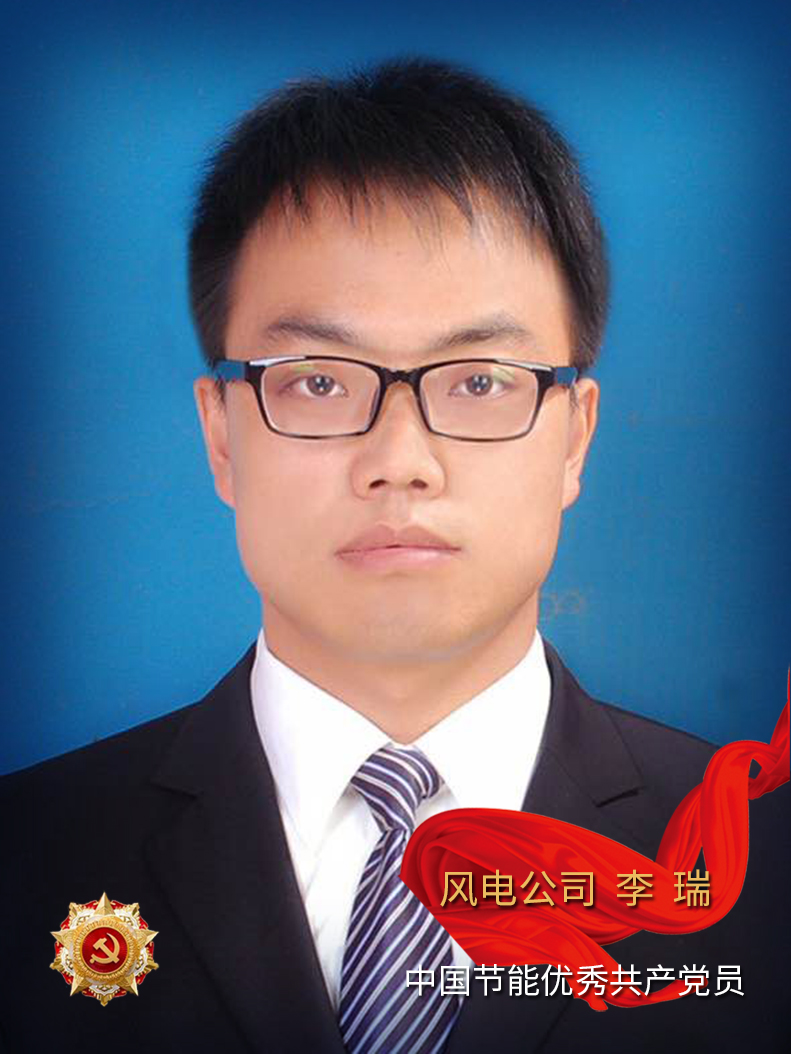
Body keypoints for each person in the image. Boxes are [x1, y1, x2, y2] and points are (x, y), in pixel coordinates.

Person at [0, 58, 787, 1054]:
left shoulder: (765, 862)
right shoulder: (29, 848)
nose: (399, 462)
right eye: (318, 381)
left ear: (574, 439)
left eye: (479, 380)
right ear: (221, 435)